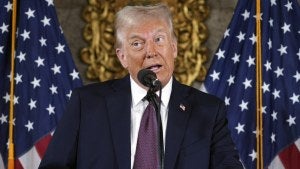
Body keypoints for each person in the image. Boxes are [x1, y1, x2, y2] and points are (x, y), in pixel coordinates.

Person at [39, 3, 243, 169]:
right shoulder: (87, 104)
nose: (151, 51)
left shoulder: (208, 110)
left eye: (159, 39)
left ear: (173, 48)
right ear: (122, 57)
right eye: (137, 44)